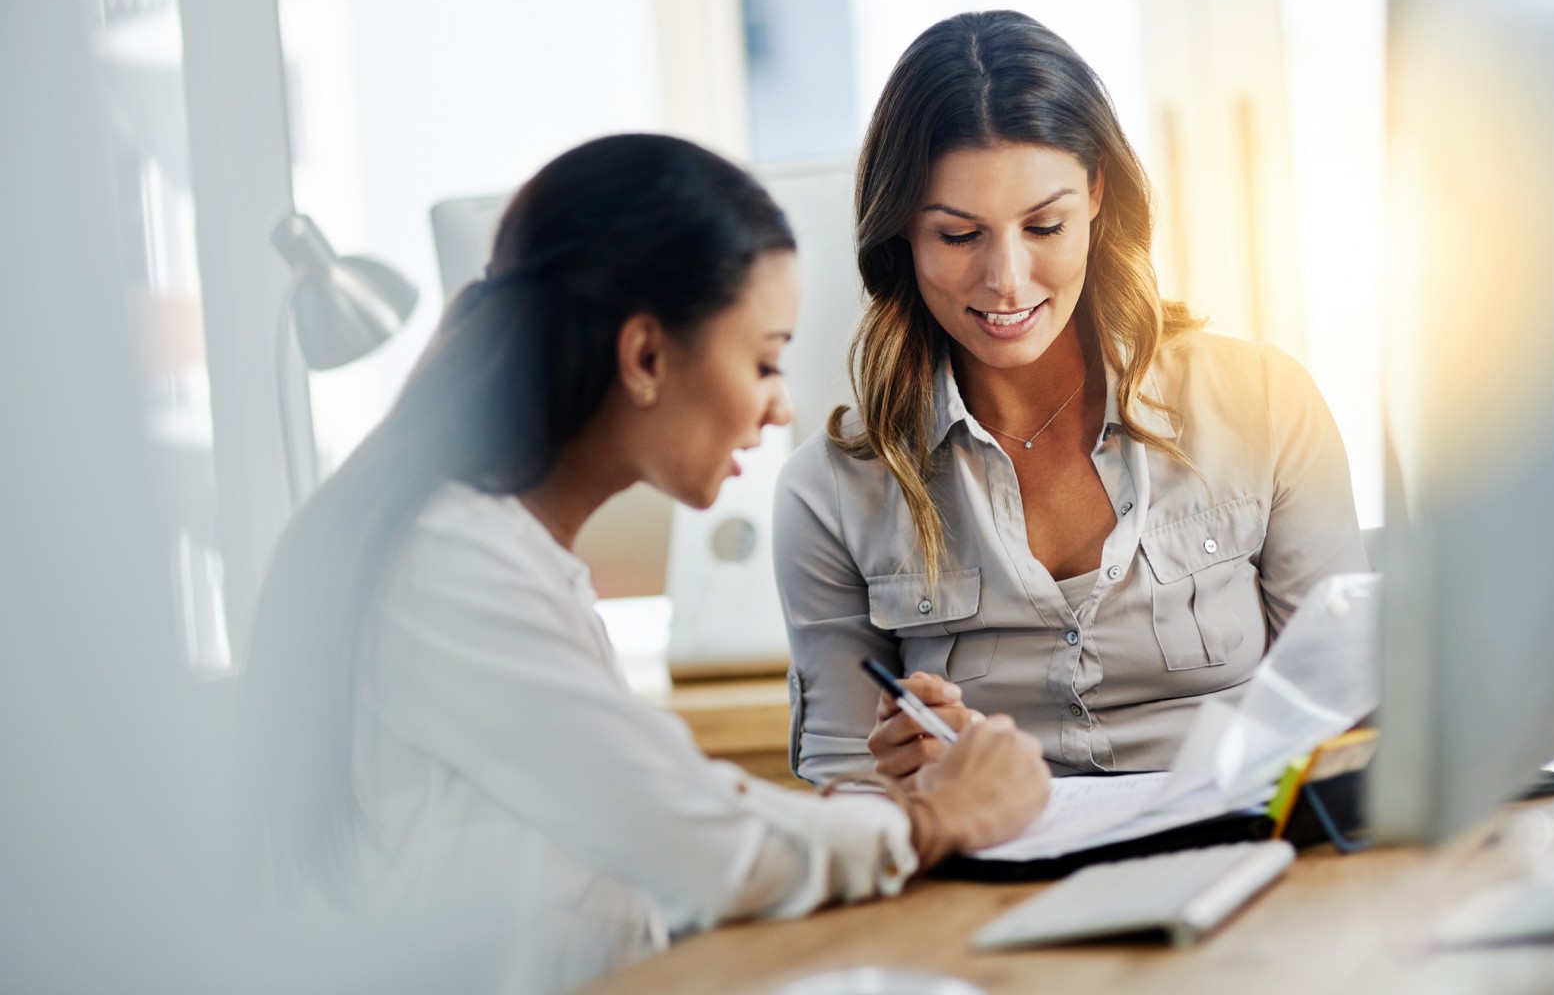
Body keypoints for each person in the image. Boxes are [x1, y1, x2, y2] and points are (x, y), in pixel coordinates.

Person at [237, 134, 1049, 995]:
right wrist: (936, 820)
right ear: (646, 357)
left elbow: (662, 835)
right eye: (765, 359)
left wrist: (896, 806)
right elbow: (698, 843)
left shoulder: (509, 555)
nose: (783, 405)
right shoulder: (449, 564)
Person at [774, 11, 1368, 789]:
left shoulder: (1261, 402)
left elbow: (1353, 713)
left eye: (1044, 224)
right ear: (901, 237)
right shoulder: (830, 492)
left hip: (1249, 857)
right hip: (989, 887)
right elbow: (845, 789)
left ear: (1096, 193)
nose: (1008, 280)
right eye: (959, 237)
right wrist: (915, 789)